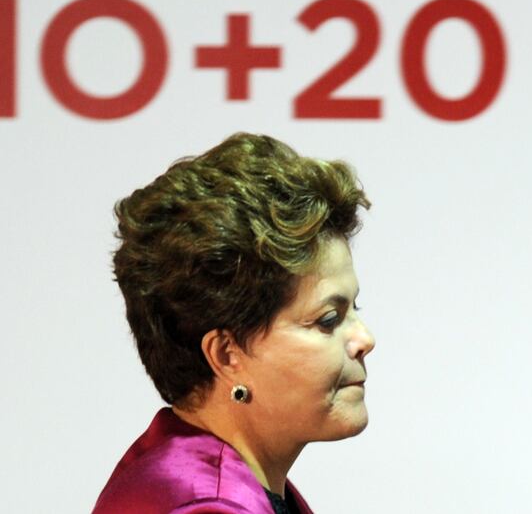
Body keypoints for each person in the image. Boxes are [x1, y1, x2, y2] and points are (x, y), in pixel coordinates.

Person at [93, 133, 376, 514]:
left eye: (354, 308)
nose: (365, 339)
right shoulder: (205, 506)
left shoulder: (213, 481)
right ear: (227, 355)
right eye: (328, 320)